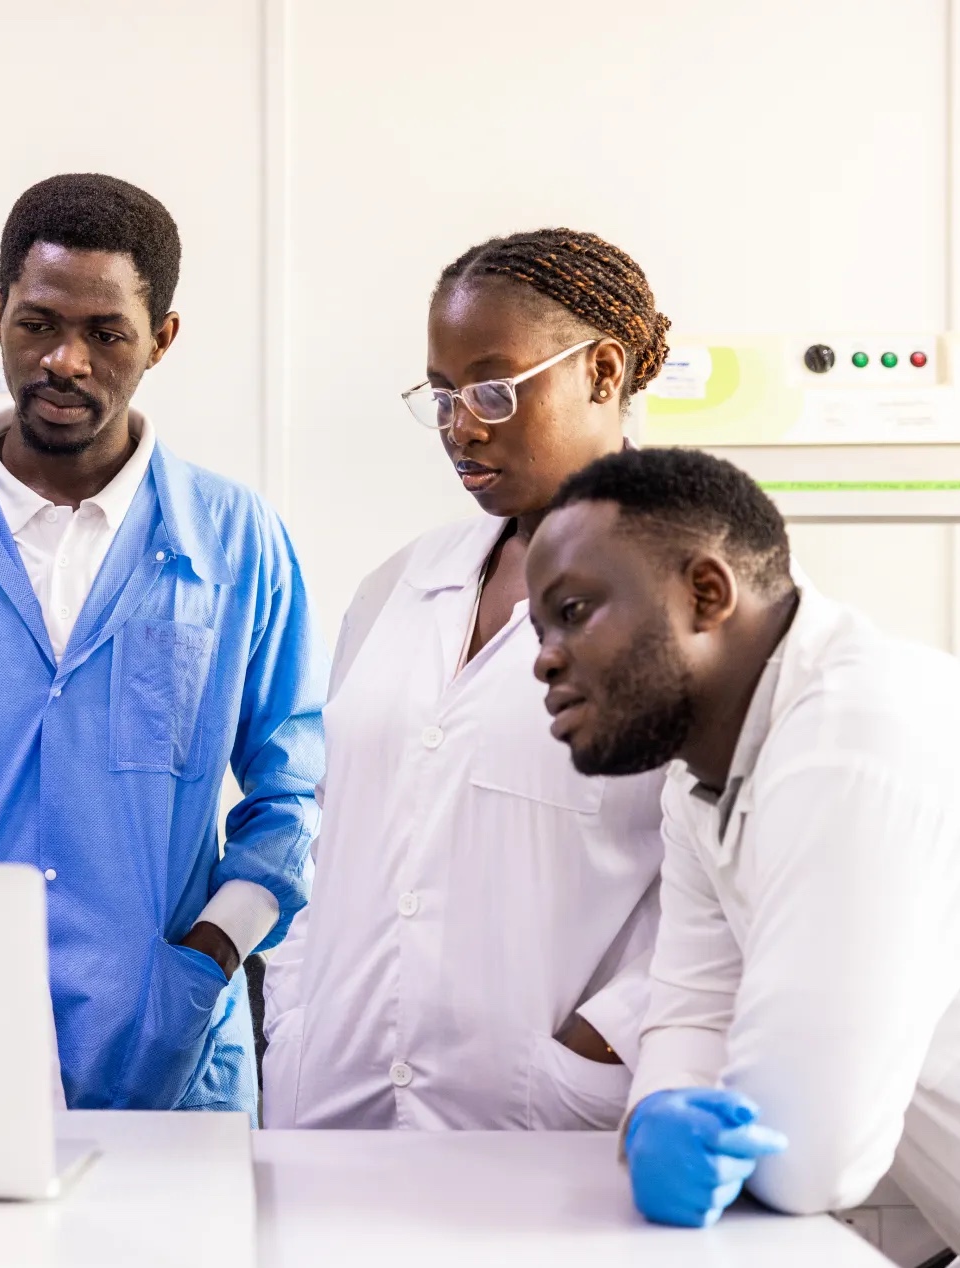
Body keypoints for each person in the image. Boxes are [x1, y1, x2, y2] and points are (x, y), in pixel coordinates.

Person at [0, 173, 323, 1112]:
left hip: (169, 1055)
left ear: (160, 339)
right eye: (38, 324)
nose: (66, 361)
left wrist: (211, 951)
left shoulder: (238, 544)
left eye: (106, 333)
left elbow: (298, 785)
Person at [525, 446, 960, 1265]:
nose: (544, 656)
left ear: (706, 594)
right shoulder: (701, 787)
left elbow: (811, 1154)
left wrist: (749, 1127)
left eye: (574, 610)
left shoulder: (862, 735)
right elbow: (694, 1010)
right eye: (541, 628)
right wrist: (661, 1111)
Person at [260, 229, 671, 1131]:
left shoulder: (686, 604)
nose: (463, 426)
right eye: (442, 395)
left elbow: (731, 880)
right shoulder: (401, 584)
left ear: (604, 372)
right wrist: (292, 1001)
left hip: (535, 1115)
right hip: (331, 1095)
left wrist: (607, 1037)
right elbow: (338, 833)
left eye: (494, 388)